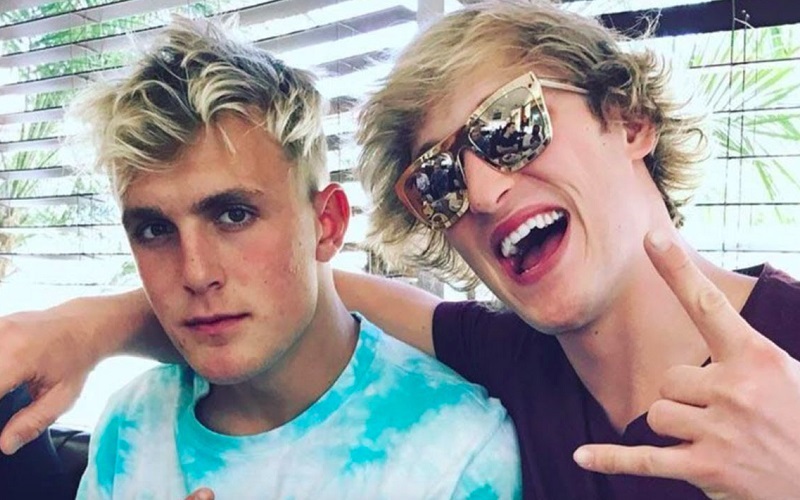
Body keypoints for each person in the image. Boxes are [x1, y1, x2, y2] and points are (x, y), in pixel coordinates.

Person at [0, 1, 799, 499]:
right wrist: (84, 326)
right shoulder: (510, 359)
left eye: (511, 128)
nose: (481, 191)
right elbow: (299, 291)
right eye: (439, 179)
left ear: (629, 120)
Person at [57, 18, 521, 499]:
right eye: (155, 230)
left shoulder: (455, 452)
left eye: (234, 215)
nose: (195, 273)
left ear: (328, 224)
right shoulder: (130, 425)